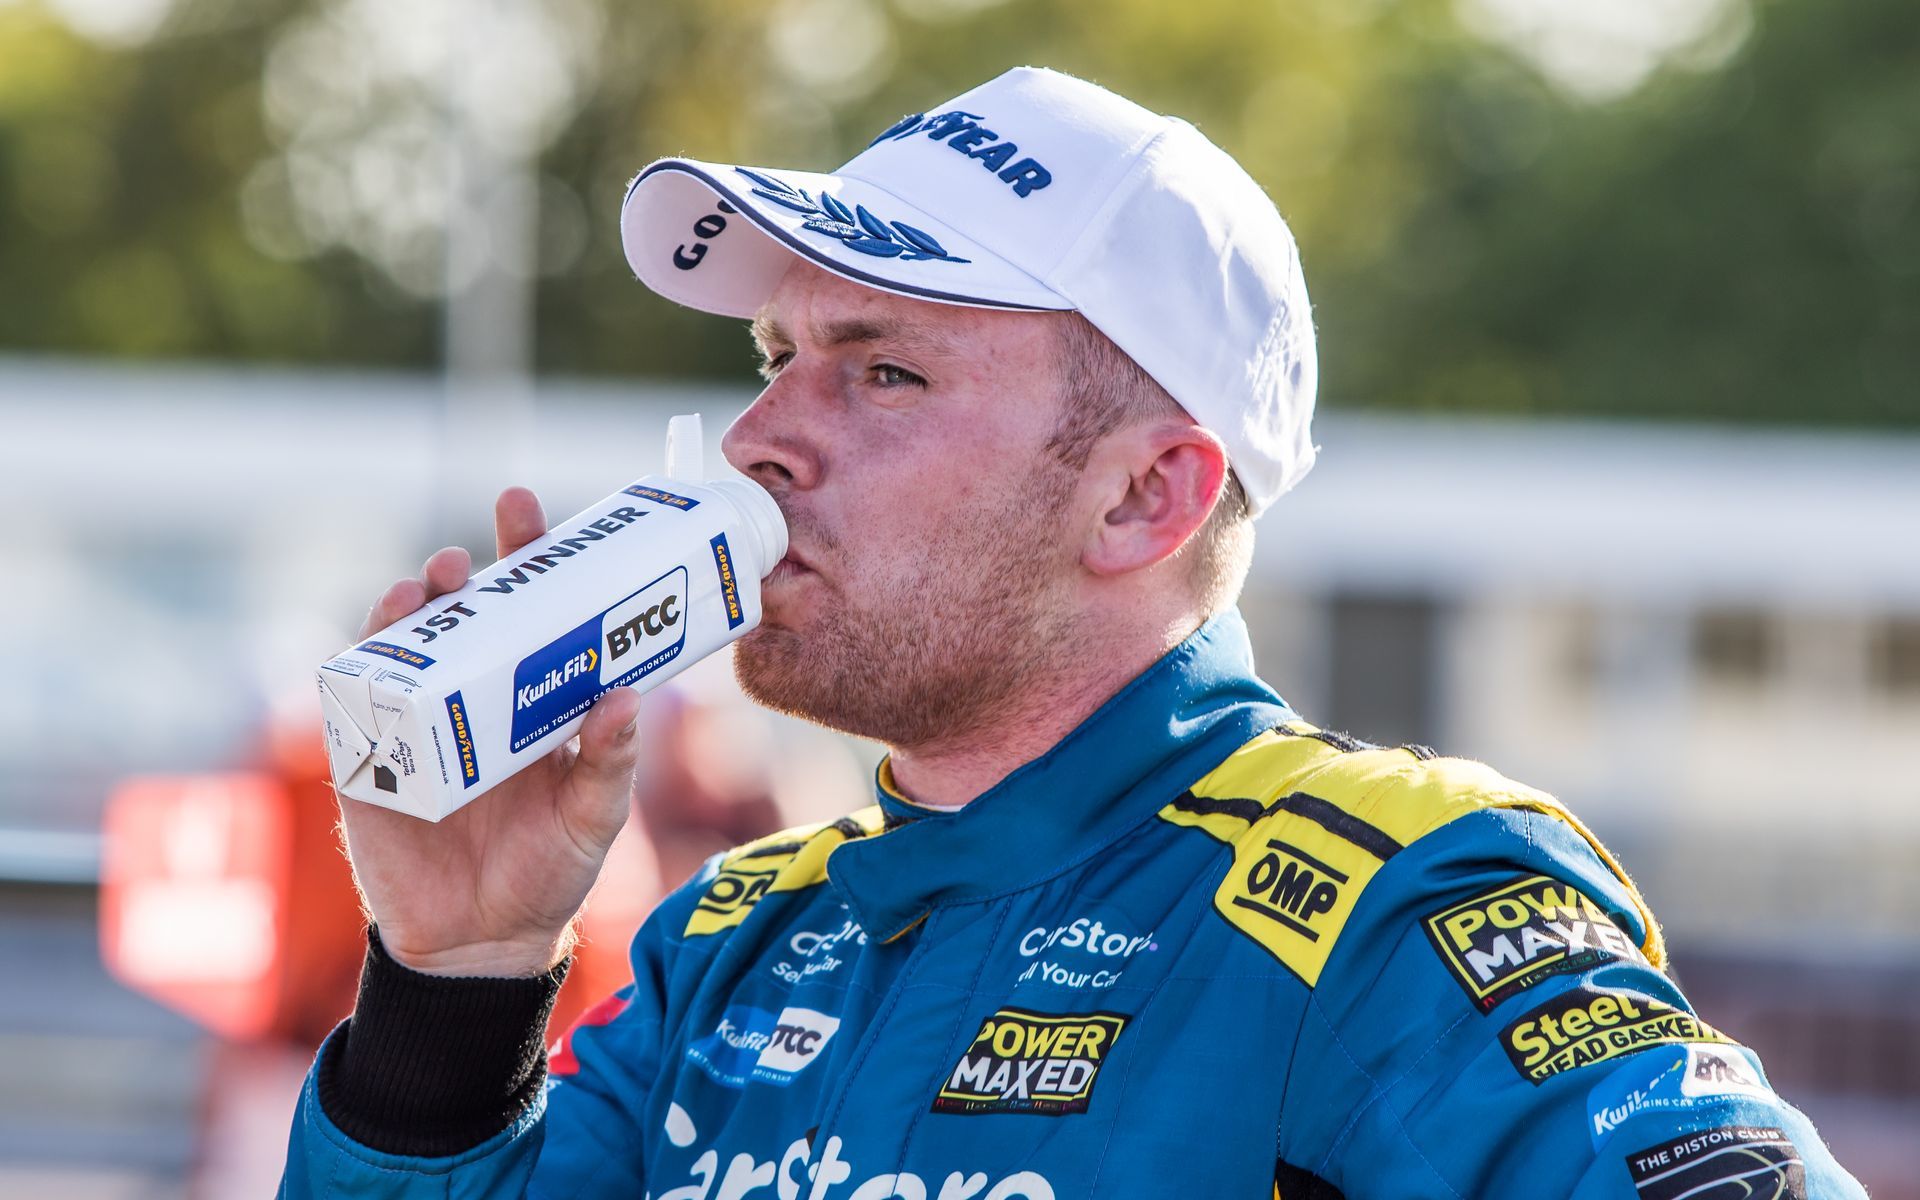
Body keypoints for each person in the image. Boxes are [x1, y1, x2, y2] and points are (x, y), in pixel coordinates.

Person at [280, 67, 1865, 1198]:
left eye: (882, 372)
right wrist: (457, 985)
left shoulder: (1388, 906)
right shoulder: (733, 945)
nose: (761, 438)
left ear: (1144, 498)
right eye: (776, 356)